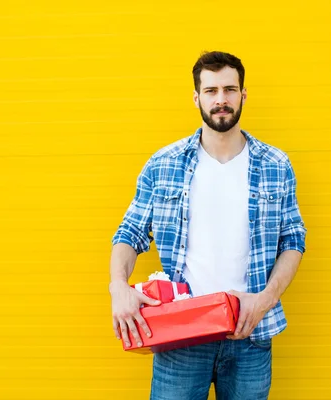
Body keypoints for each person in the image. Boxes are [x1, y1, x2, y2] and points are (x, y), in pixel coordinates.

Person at [109, 51, 307, 400]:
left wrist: (265, 299)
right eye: (211, 91)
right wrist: (118, 287)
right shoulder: (164, 163)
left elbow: (293, 240)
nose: (221, 100)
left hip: (250, 332)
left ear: (243, 95)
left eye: (230, 89)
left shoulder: (276, 164)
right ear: (196, 97)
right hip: (180, 336)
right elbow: (129, 232)